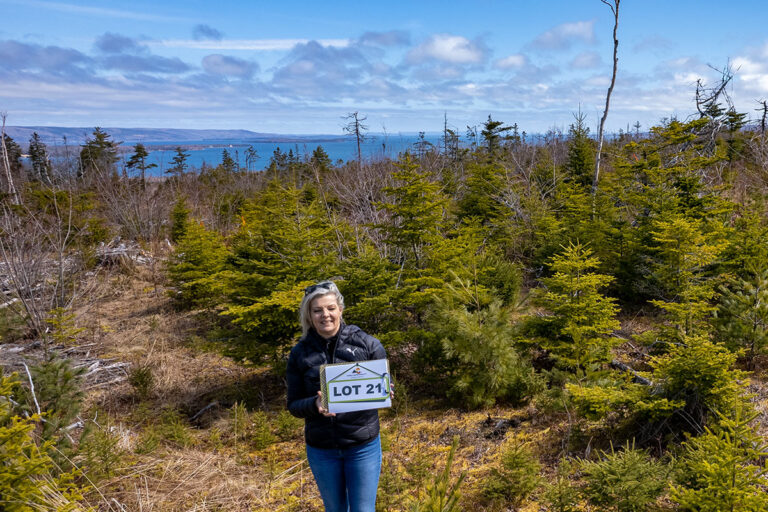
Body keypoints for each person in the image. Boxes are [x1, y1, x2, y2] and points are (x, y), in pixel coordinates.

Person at [286, 280, 389, 512]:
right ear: (309, 316)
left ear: (340, 309)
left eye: (331, 308)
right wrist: (314, 404)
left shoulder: (368, 345)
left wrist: (385, 389)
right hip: (322, 449)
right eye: (317, 310)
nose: (326, 315)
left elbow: (383, 383)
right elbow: (293, 404)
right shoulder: (299, 354)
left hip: (362, 446)